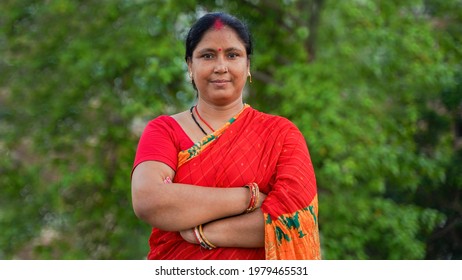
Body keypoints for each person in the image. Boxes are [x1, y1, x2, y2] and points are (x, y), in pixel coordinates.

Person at [131, 12, 321, 260]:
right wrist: (249, 197)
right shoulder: (164, 131)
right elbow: (149, 200)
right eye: (207, 55)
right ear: (190, 66)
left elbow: (295, 222)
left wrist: (202, 232)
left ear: (248, 65)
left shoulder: (281, 135)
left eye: (232, 55)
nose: (221, 67)